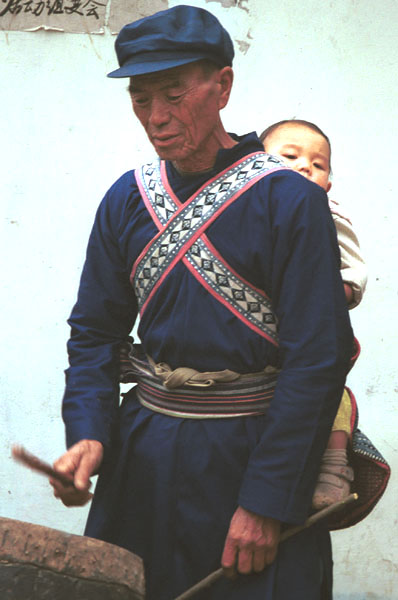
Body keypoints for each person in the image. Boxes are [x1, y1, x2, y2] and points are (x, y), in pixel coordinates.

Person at [50, 6, 353, 600]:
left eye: (173, 94)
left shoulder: (288, 201)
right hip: (143, 463)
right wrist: (88, 432)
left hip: (250, 458)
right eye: (141, 100)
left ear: (222, 87)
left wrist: (267, 502)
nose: (157, 118)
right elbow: (92, 333)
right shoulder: (127, 199)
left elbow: (319, 358)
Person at [260, 119, 367, 509]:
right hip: (260, 341)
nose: (306, 166)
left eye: (318, 164)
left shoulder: (328, 214)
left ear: (328, 184)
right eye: (290, 156)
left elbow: (355, 275)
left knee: (327, 388)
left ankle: (335, 466)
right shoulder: (246, 214)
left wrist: (319, 294)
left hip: (314, 330)